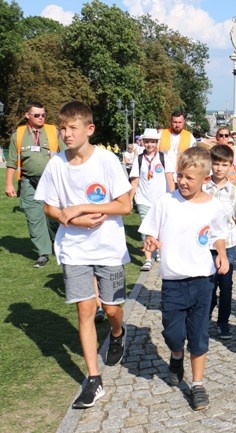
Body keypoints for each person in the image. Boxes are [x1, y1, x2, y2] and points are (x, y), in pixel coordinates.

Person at [34, 101, 131, 409]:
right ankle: (93, 379)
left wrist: (83, 207)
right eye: (62, 128)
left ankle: (117, 332)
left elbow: (124, 206)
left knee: (112, 307)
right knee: (85, 310)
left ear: (89, 129)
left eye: (72, 128)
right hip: (73, 248)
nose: (66, 134)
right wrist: (71, 218)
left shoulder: (106, 161)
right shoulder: (56, 165)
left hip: (108, 247)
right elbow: (48, 206)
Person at [138, 147, 230, 411]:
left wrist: (222, 253)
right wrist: (151, 241)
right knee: (173, 334)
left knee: (199, 335)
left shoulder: (214, 206)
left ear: (204, 178)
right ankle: (176, 355)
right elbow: (150, 232)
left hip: (203, 280)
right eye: (180, 175)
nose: (183, 181)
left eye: (189, 177)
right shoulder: (166, 202)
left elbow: (217, 235)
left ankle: (198, 385)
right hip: (173, 281)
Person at [5, 101, 65, 268]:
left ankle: (56, 242)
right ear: (27, 115)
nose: (41, 118)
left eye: (43, 115)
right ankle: (42, 253)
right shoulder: (18, 134)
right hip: (29, 182)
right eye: (37, 115)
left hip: (52, 181)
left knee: (53, 216)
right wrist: (8, 184)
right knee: (34, 217)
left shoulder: (54, 131)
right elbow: (11, 162)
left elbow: (67, 154)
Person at [205, 144, 236, 339]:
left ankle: (223, 323)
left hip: (228, 245)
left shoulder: (235, 193)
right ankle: (204, 317)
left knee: (226, 285)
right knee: (208, 286)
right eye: (216, 164)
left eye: (224, 164)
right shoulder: (203, 188)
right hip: (206, 246)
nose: (219, 168)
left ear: (231, 166)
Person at [128, 128, 175, 271]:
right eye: (147, 142)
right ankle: (147, 258)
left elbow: (169, 178)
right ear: (143, 142)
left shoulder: (163, 157)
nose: (150, 145)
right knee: (145, 228)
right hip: (143, 199)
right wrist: (130, 200)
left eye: (153, 142)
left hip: (161, 199)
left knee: (161, 228)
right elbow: (135, 181)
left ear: (157, 143)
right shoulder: (139, 159)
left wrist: (173, 197)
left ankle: (159, 250)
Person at [158, 110, 197, 179]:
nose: (177, 125)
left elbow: (194, 157)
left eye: (180, 122)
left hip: (181, 176)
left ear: (184, 122)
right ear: (171, 122)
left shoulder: (189, 136)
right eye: (175, 122)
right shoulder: (161, 134)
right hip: (162, 175)